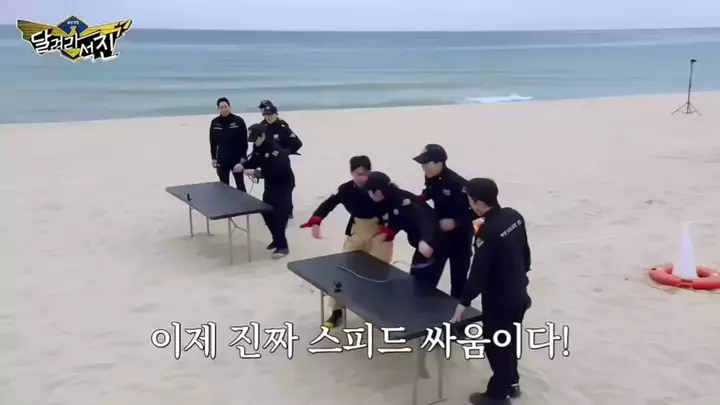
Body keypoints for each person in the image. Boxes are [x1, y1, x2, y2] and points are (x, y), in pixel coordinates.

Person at [449, 178, 531, 405]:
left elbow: (479, 271)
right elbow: (524, 249)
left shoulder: (487, 232)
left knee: (495, 346)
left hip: (499, 299)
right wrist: (524, 273)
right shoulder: (514, 216)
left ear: (478, 203)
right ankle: (512, 383)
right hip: (519, 292)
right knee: (509, 340)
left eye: (470, 198)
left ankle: (497, 395)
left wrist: (463, 302)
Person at [300, 156, 394, 328]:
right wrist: (316, 220)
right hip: (357, 231)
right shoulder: (346, 189)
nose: (362, 177)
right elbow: (328, 204)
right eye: (358, 174)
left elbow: (399, 206)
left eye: (365, 173)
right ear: (352, 173)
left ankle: (378, 310)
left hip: (380, 233)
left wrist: (390, 229)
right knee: (344, 270)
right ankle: (337, 311)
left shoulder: (380, 186)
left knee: (379, 273)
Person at [414, 144, 476, 299]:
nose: (423, 167)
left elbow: (478, 210)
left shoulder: (458, 184)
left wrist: (456, 222)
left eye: (426, 163)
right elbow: (431, 189)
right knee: (432, 270)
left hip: (461, 236)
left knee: (459, 277)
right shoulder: (430, 176)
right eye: (422, 164)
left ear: (439, 163)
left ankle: (458, 309)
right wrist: (423, 197)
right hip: (441, 233)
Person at [363, 171, 441, 286]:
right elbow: (398, 219)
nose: (369, 195)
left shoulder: (402, 201)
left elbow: (424, 219)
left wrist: (426, 240)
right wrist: (389, 233)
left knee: (422, 281)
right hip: (421, 243)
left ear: (378, 191)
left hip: (434, 242)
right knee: (415, 276)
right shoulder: (391, 199)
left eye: (369, 191)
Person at [234, 123, 295, 258]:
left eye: (255, 139)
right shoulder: (258, 147)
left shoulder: (275, 151)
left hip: (283, 184)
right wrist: (243, 165)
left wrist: (257, 173)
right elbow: (254, 160)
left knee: (278, 215)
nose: (254, 142)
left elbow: (276, 171)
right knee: (266, 211)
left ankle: (283, 246)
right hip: (271, 184)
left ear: (263, 136)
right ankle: (276, 239)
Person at [258, 100, 303, 218]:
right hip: (268, 162)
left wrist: (286, 152)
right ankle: (269, 210)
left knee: (287, 186)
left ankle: (288, 211)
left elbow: (297, 143)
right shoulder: (261, 126)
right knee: (269, 188)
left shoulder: (283, 126)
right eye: (265, 114)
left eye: (270, 115)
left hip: (282, 163)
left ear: (276, 114)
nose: (268, 117)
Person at [210, 97, 248, 192]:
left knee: (240, 185)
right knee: (223, 186)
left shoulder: (238, 121)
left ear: (230, 107)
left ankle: (243, 202)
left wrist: (243, 157)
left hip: (236, 159)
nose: (224, 109)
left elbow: (244, 141)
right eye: (221, 107)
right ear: (218, 109)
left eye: (226, 107)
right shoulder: (215, 122)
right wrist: (214, 158)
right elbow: (213, 141)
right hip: (222, 158)